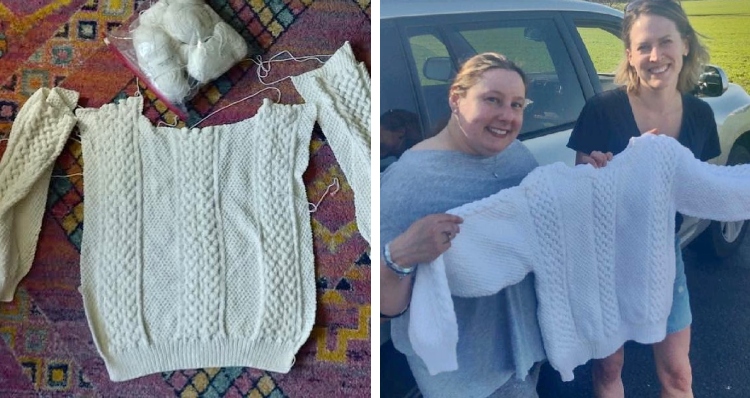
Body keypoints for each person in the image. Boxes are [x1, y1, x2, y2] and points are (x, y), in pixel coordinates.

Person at [567, 1, 719, 397]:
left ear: (684, 45)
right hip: (606, 257)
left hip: (663, 255)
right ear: (630, 55)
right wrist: (601, 172)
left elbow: (701, 190)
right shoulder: (602, 110)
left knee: (678, 376)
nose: (656, 56)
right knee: (608, 370)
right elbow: (579, 196)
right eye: (644, 46)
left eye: (665, 42)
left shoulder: (700, 114)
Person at [380, 53, 546, 398]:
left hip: (526, 345)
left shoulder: (517, 156)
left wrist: (592, 176)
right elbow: (382, 309)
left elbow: (545, 227)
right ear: (456, 98)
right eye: (492, 100)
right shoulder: (409, 181)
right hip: (466, 371)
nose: (507, 116)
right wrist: (401, 255)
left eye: (517, 105)